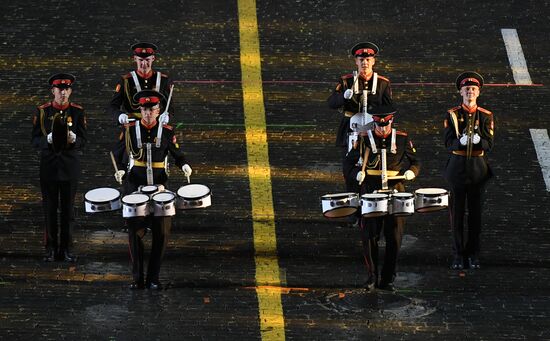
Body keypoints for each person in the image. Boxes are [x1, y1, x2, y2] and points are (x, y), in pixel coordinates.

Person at [112, 90, 192, 290]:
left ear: (158, 111)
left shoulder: (166, 131)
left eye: (152, 109)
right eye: (145, 110)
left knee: (161, 235)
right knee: (134, 234)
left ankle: (153, 278)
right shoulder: (130, 130)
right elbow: (120, 155)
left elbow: (177, 154)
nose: (148, 113)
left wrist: (184, 165)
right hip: (135, 190)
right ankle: (138, 278)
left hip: (159, 190)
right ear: (140, 110)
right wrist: (120, 171)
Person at [344, 105, 420, 292]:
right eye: (379, 125)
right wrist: (356, 175)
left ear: (391, 122)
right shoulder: (363, 140)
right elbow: (348, 163)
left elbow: (416, 161)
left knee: (394, 237)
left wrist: (412, 172)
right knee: (370, 235)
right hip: (371, 188)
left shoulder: (402, 138)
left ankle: (388, 278)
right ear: (374, 123)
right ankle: (372, 276)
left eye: (386, 125)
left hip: (395, 189)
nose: (383, 129)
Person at [31, 73, 87, 262]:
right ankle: (51, 248)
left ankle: (66, 248)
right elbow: (34, 139)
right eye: (59, 89)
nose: (63, 93)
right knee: (50, 208)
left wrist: (75, 140)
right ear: (53, 91)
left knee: (68, 210)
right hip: (49, 167)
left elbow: (84, 140)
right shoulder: (42, 111)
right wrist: (46, 141)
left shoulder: (77, 112)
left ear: (70, 91)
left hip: (69, 167)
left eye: (66, 89)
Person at [444, 71, 494, 270]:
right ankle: (458, 254)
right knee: (456, 215)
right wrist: (460, 142)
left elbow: (490, 143)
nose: (470, 92)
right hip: (457, 168)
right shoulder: (453, 114)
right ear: (460, 92)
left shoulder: (486, 115)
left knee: (475, 215)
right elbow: (447, 143)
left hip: (477, 170)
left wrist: (479, 141)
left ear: (478, 92)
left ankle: (473, 254)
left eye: (473, 89)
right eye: (466, 89)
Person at [108, 42, 173, 127]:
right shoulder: (126, 80)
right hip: (132, 127)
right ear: (135, 58)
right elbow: (113, 106)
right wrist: (119, 115)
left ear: (153, 58)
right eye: (141, 60)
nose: (144, 64)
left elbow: (170, 106)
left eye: (147, 60)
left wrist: (167, 116)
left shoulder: (163, 80)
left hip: (156, 127)